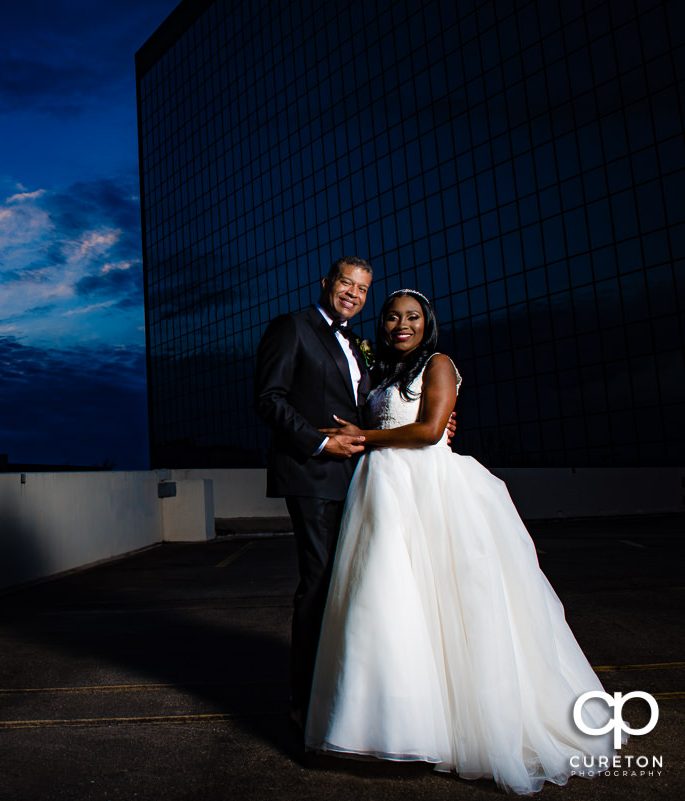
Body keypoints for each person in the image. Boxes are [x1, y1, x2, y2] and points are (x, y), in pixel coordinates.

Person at [304, 289, 617, 794]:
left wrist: (362, 436)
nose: (401, 325)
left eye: (412, 317)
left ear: (427, 323)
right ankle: (400, 723)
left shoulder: (440, 363)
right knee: (389, 601)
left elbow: (430, 431)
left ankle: (470, 725)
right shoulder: (383, 372)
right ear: (381, 324)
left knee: (449, 599)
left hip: (428, 487)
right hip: (383, 489)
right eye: (391, 317)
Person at [253, 256, 375, 727]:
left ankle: (343, 696)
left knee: (350, 584)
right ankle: (306, 710)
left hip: (356, 479)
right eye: (346, 283)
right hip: (312, 473)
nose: (353, 294)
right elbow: (269, 398)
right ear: (326, 283)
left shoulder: (358, 344)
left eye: (362, 289)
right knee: (321, 584)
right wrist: (323, 442)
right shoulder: (293, 327)